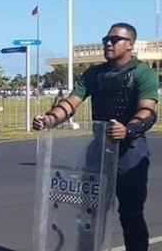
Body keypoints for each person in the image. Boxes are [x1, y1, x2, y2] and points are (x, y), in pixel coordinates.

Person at [33, 23, 158, 251]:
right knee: (89, 212)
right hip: (98, 150)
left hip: (129, 151)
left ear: (130, 44)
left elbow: (148, 111)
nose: (108, 43)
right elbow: (71, 102)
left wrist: (127, 129)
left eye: (115, 39)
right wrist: (50, 119)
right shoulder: (93, 73)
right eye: (105, 40)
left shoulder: (143, 72)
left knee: (131, 214)